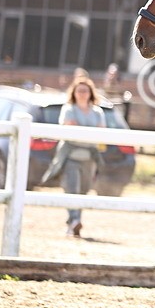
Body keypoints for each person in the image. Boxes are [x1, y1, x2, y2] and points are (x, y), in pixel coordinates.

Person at [44, 77, 105, 237]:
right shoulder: (69, 109)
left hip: (89, 157)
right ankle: (75, 220)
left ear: (90, 92)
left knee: (84, 191)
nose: (83, 94)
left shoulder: (98, 112)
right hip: (71, 155)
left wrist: (84, 133)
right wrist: (88, 134)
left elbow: (101, 132)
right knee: (72, 189)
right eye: (80, 90)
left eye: (85, 91)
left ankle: (74, 220)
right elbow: (70, 128)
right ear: (74, 92)